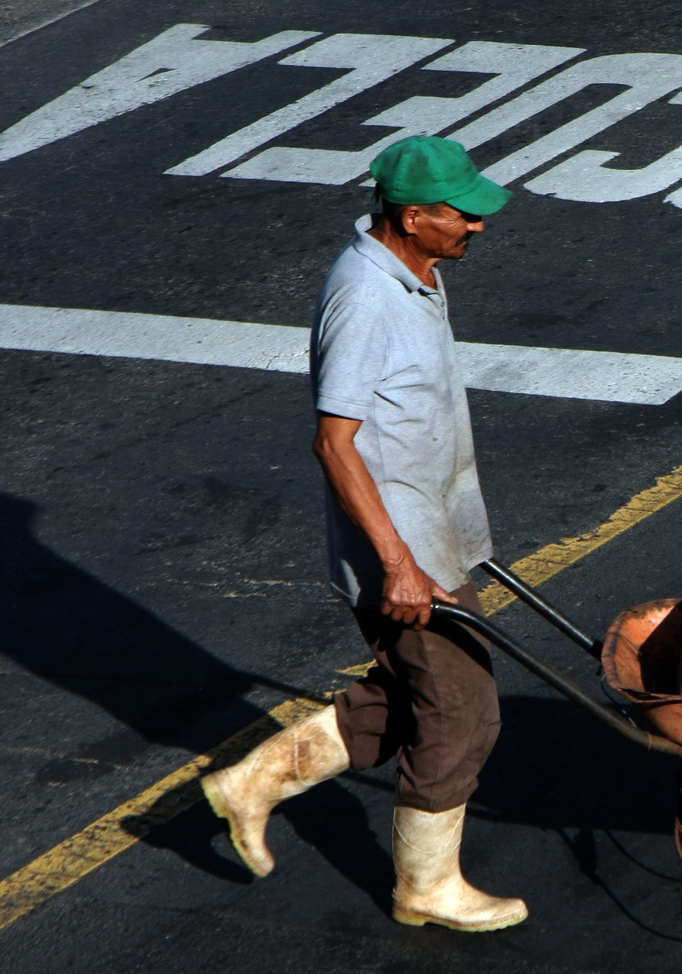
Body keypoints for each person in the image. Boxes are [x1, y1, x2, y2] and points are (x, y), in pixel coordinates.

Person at [201, 136, 525, 932]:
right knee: (460, 709)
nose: (477, 227)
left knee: (428, 696)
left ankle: (257, 782)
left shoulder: (419, 272)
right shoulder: (366, 296)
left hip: (436, 538)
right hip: (401, 554)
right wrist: (399, 566)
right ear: (412, 216)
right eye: (462, 215)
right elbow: (334, 442)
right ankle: (424, 888)